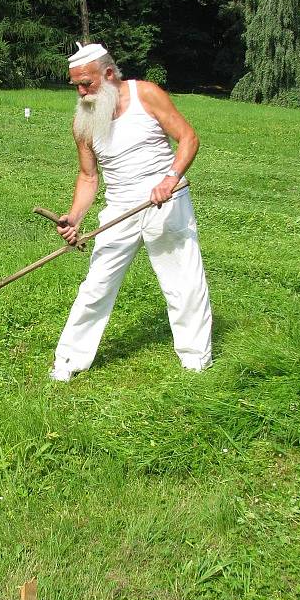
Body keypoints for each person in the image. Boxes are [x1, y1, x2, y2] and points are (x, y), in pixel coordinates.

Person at [50, 42, 212, 382]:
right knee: (96, 285)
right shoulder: (83, 122)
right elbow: (88, 176)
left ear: (109, 74)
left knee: (182, 282)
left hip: (165, 202)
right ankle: (68, 361)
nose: (81, 92)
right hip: (120, 208)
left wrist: (171, 179)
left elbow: (188, 138)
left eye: (86, 83)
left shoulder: (146, 95)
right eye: (75, 86)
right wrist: (74, 217)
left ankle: (196, 358)